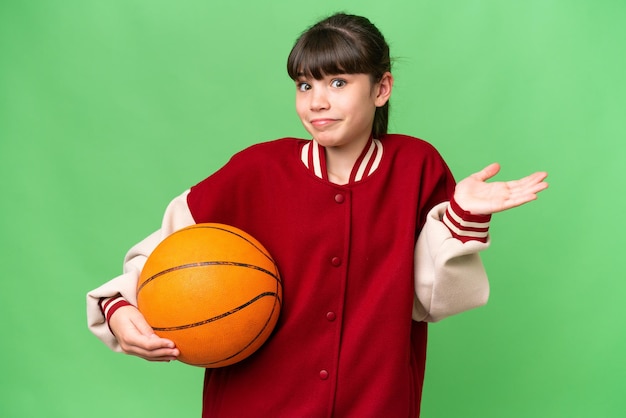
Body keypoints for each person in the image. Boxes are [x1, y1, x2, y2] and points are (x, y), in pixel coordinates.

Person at [87, 12, 548, 417]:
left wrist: (464, 216)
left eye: (339, 82)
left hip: (376, 404)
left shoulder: (416, 166)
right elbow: (165, 252)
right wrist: (121, 307)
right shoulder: (256, 170)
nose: (317, 101)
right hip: (255, 406)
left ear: (382, 88)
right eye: (305, 85)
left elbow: (434, 299)